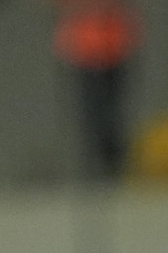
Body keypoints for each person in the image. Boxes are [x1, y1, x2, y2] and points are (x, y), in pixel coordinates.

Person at [53, 0, 140, 178]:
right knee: (90, 113)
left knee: (113, 112)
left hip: (114, 47)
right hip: (84, 51)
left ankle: (114, 164)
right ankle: (95, 165)